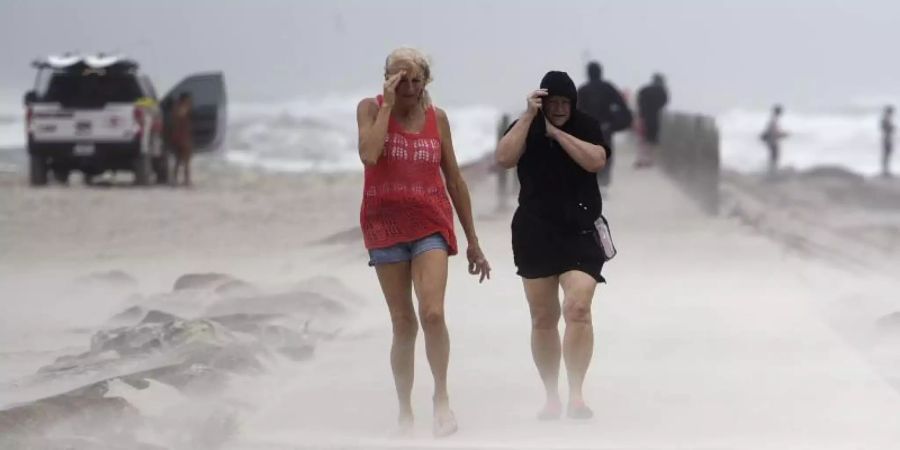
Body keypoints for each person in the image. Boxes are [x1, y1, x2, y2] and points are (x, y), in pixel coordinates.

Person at [356, 47, 491, 437]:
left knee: (432, 313)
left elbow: (455, 180)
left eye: (416, 80)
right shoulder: (369, 108)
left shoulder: (438, 118)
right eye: (401, 80)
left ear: (426, 81)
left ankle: (442, 399)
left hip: (431, 223)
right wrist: (387, 106)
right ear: (387, 78)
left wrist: (473, 241)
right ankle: (403, 409)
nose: (410, 88)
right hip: (384, 227)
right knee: (403, 323)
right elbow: (369, 154)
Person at [496, 71, 610, 421]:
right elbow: (504, 158)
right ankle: (551, 395)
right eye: (553, 102)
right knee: (544, 317)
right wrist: (530, 117)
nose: (560, 108)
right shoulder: (524, 125)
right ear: (542, 101)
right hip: (535, 231)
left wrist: (557, 133)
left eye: (565, 102)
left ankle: (576, 394)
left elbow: (596, 160)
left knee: (578, 308)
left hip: (579, 230)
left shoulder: (586, 125)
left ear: (573, 103)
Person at [577, 61, 632, 187]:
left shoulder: (583, 90)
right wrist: (617, 123)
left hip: (588, 128)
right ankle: (604, 183)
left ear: (588, 73)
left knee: (588, 154)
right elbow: (622, 105)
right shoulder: (608, 88)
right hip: (605, 127)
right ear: (600, 72)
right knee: (605, 154)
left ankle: (591, 182)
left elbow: (577, 110)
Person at [635, 73, 669, 166]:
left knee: (642, 139)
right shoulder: (662, 91)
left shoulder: (645, 90)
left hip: (643, 117)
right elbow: (664, 102)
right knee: (652, 140)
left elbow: (638, 101)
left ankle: (641, 160)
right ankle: (649, 160)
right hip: (655, 118)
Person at [170, 93, 193, 186]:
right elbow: (180, 119)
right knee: (183, 160)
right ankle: (185, 180)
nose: (190, 102)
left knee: (179, 161)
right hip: (182, 138)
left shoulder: (177, 109)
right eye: (188, 100)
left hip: (181, 137)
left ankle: (178, 179)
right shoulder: (181, 109)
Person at [760, 104, 787, 176]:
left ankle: (771, 171)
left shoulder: (773, 119)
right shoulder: (774, 120)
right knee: (774, 157)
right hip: (773, 142)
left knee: (773, 157)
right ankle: (772, 172)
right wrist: (783, 135)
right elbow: (774, 132)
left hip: (771, 141)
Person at [495, 113, 513, 211]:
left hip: (504, 158)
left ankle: (503, 202)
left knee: (503, 180)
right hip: (502, 158)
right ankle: (502, 202)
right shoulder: (504, 129)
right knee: (502, 180)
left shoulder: (504, 129)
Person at [881, 105, 894, 178]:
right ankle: (885, 170)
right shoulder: (886, 119)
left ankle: (886, 170)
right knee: (886, 155)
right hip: (887, 138)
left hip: (887, 138)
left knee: (887, 154)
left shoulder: (886, 119)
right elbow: (886, 128)